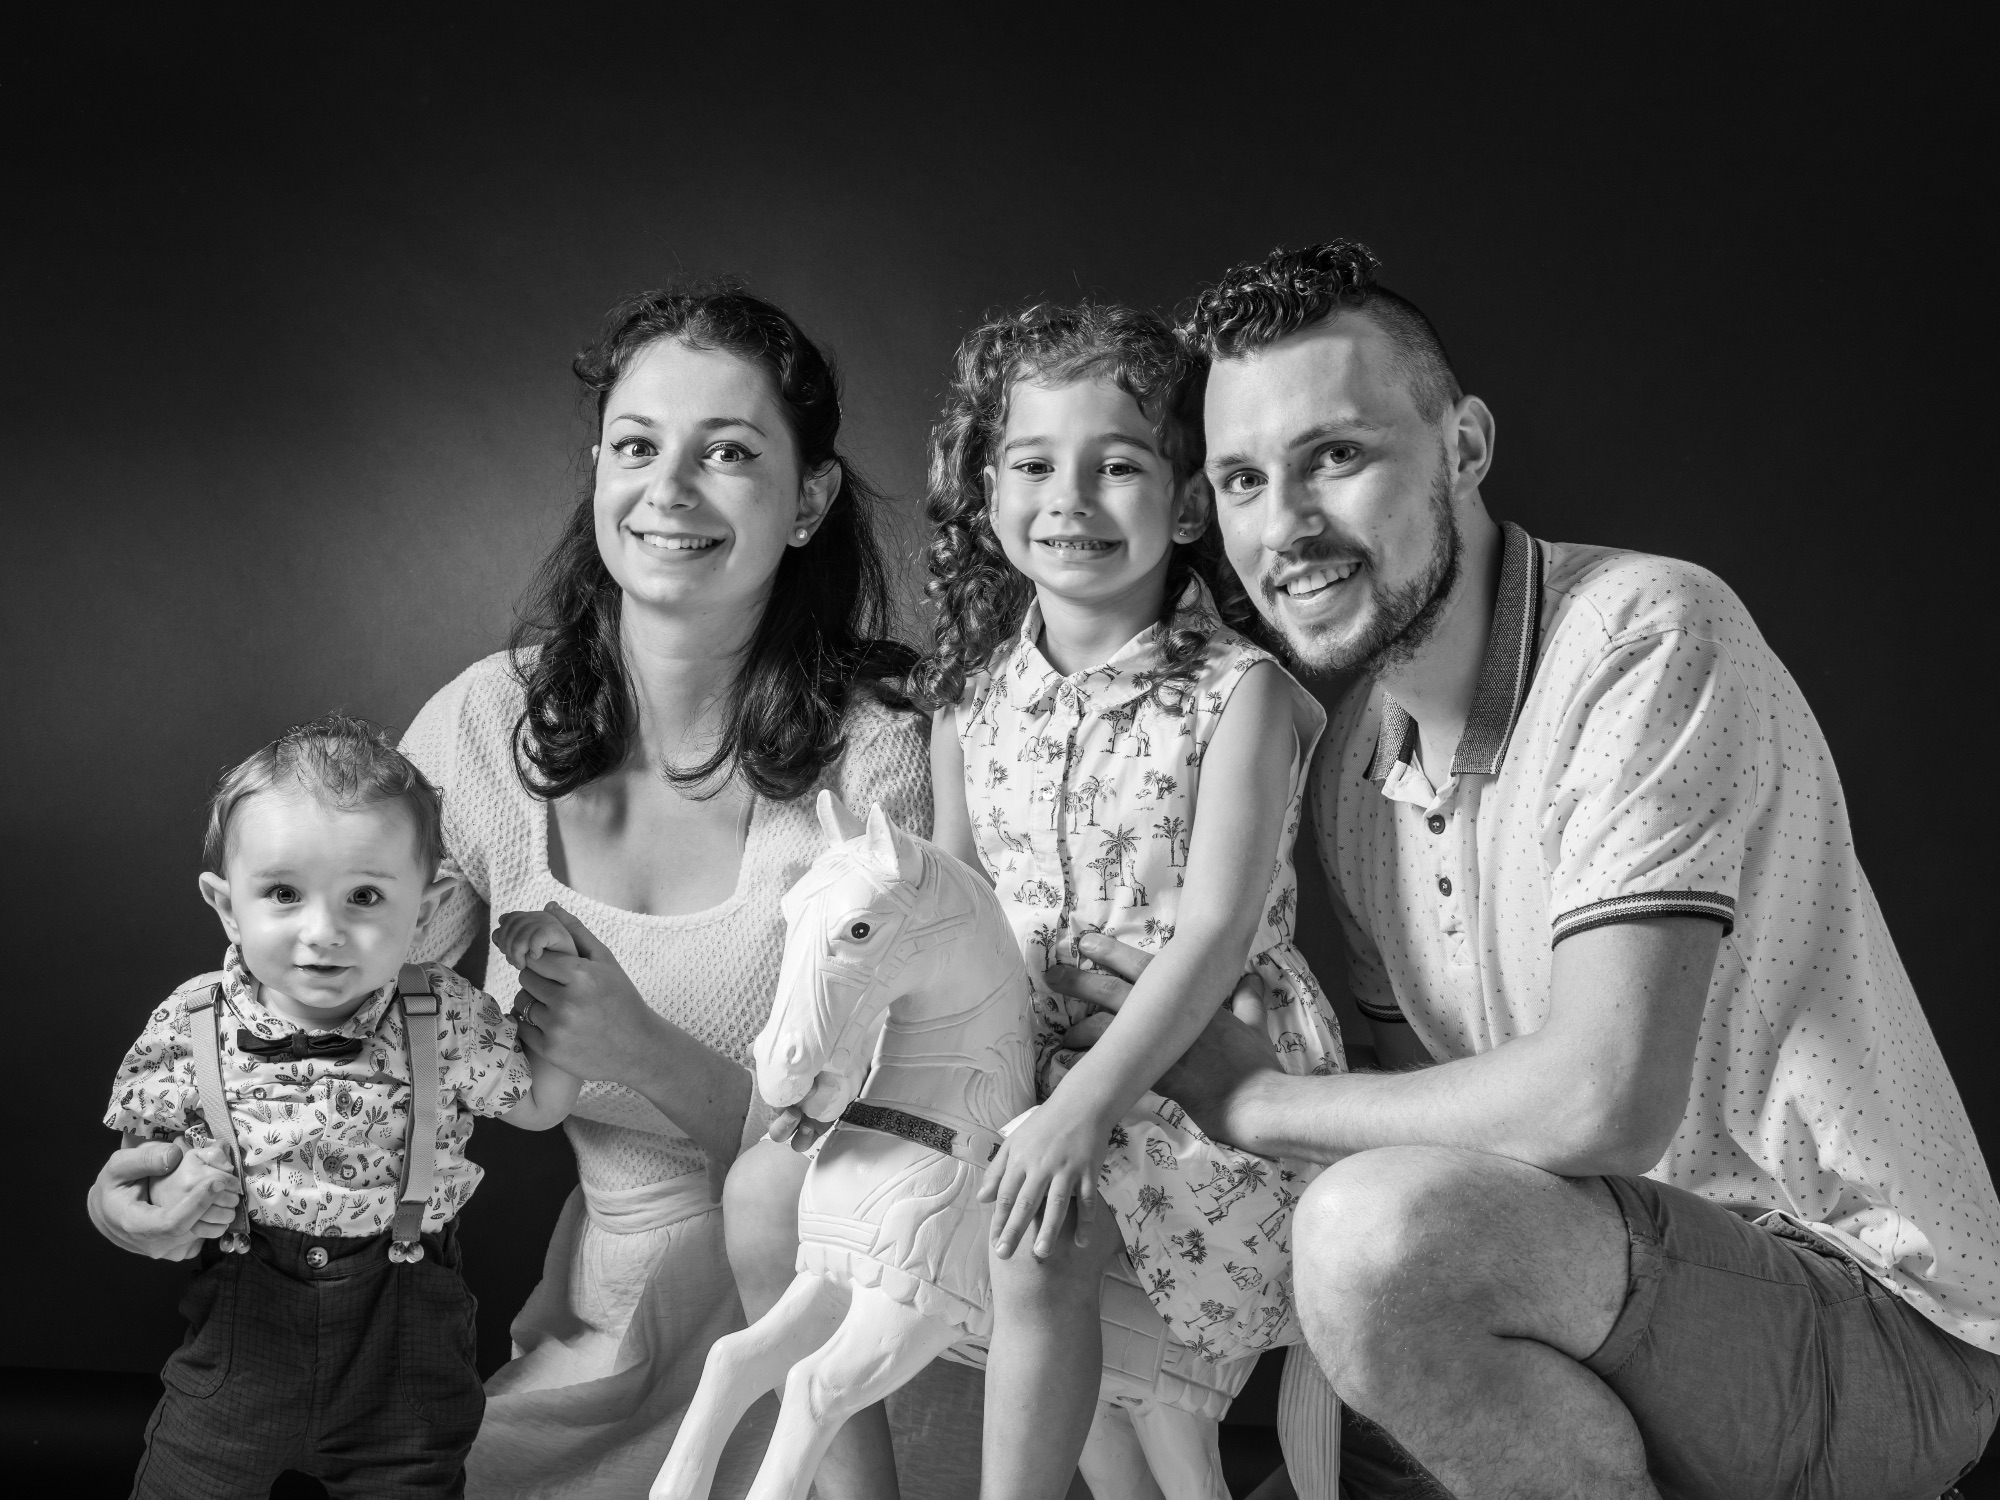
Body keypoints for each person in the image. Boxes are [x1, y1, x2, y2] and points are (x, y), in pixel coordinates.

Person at [1051, 241, 2000, 1499]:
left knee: (1371, 1237)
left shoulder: (1647, 635)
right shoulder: (1349, 781)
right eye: (1239, 480)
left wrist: (1251, 1101)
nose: (1283, 527)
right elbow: (1433, 1124)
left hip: (1872, 1319)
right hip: (1586, 1296)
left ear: (1463, 445)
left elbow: (1599, 1104)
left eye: (1335, 455)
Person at [89, 282, 984, 1500]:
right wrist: (151, 1177)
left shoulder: (885, 754)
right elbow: (325, 1007)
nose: (668, 491)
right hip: (617, 1325)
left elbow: (920, 1155)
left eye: (728, 453)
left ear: (811, 497)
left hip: (849, 1332)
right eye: (636, 446)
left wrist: (643, 1048)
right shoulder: (482, 723)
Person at [905, 302, 1342, 1500]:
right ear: (989, 493)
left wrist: (1081, 1109)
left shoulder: (1238, 692)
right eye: (1035, 465)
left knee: (1038, 1234)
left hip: (1202, 1078)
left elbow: (1210, 928)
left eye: (1117, 466)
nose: (1071, 500)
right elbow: (956, 916)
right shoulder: (970, 702)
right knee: (911, 1197)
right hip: (1026, 1068)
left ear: (1188, 502)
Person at [105, 714, 579, 1498]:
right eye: (283, 894)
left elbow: (539, 1106)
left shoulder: (446, 1015)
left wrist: (553, 982)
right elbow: (133, 1176)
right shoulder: (191, 1024)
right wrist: (134, 1213)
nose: (322, 932)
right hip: (241, 1346)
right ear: (228, 907)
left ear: (424, 913)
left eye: (364, 896)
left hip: (402, 1354)